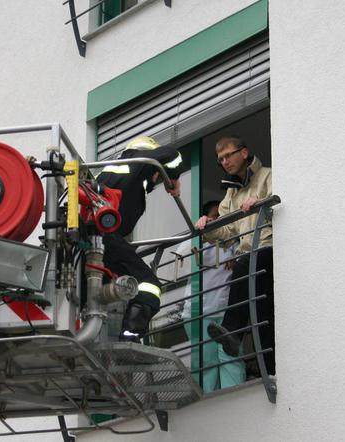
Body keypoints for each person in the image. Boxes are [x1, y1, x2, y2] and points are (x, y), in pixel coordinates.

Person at [194, 135, 274, 375]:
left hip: (270, 250)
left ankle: (232, 332)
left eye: (229, 155)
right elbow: (228, 232)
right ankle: (269, 371)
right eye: (220, 159)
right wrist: (208, 226)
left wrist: (261, 202)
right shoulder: (231, 193)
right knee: (262, 315)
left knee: (242, 269)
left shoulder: (268, 175)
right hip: (251, 256)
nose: (225, 161)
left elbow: (285, 205)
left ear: (244, 152)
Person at [96, 135, 183, 342]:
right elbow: (172, 155)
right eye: (157, 176)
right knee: (148, 286)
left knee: (97, 292)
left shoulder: (107, 171)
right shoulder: (139, 163)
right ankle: (130, 336)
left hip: (91, 243)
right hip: (104, 237)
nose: (156, 180)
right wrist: (173, 178)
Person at [178, 200, 245, 391]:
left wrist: (236, 257)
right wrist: (202, 234)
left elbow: (245, 255)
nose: (217, 220)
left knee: (230, 357)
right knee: (206, 364)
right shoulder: (197, 239)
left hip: (225, 309)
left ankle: (234, 400)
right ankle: (209, 405)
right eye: (214, 216)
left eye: (221, 216)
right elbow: (180, 257)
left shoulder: (234, 240)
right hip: (199, 311)